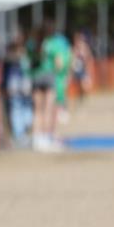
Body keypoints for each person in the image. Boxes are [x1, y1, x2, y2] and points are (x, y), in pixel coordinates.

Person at [30, 20, 70, 152]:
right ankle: (46, 138)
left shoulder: (34, 43)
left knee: (37, 110)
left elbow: (29, 59)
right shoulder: (53, 44)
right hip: (49, 76)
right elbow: (59, 63)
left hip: (36, 76)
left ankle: (36, 138)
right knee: (48, 109)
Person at [2, 36, 33, 147]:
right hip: (16, 85)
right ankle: (20, 134)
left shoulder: (20, 58)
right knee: (18, 109)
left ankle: (21, 133)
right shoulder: (15, 59)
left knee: (21, 108)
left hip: (19, 85)